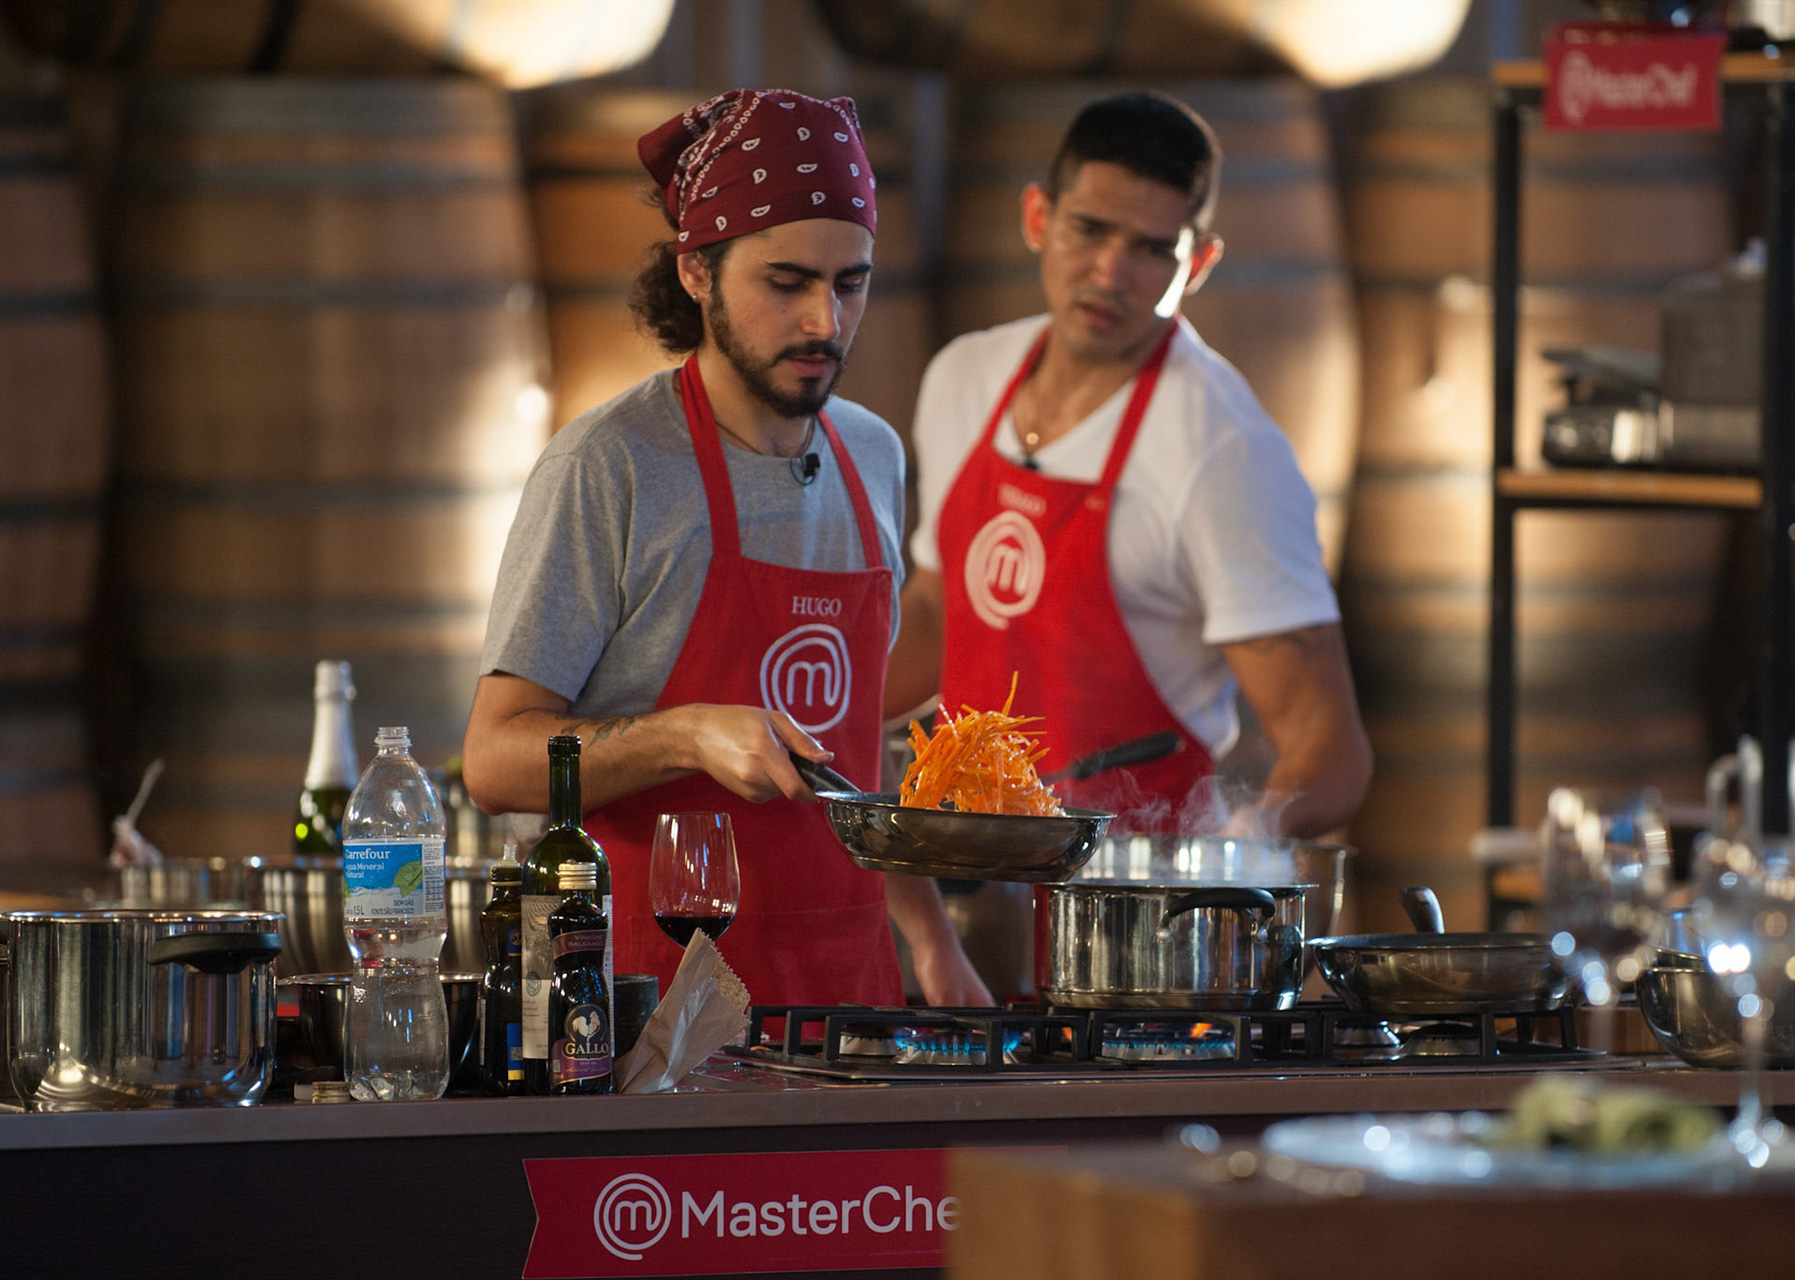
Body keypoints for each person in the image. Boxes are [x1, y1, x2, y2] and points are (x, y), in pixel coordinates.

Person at [463, 89, 989, 1008]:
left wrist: (934, 943)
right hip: (646, 1004)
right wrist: (687, 734)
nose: (825, 322)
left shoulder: (873, 455)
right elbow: (494, 762)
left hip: (847, 993)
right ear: (696, 272)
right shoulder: (611, 465)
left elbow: (851, 761)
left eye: (851, 283)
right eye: (787, 283)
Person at [887, 91, 1372, 838]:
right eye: (1089, 230)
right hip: (963, 858)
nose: (1111, 274)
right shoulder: (965, 377)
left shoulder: (1226, 450)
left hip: (1133, 884)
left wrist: (1236, 856)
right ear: (1038, 218)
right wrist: (806, 724)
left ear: (1199, 264)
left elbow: (1330, 751)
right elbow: (936, 609)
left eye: (1152, 250)